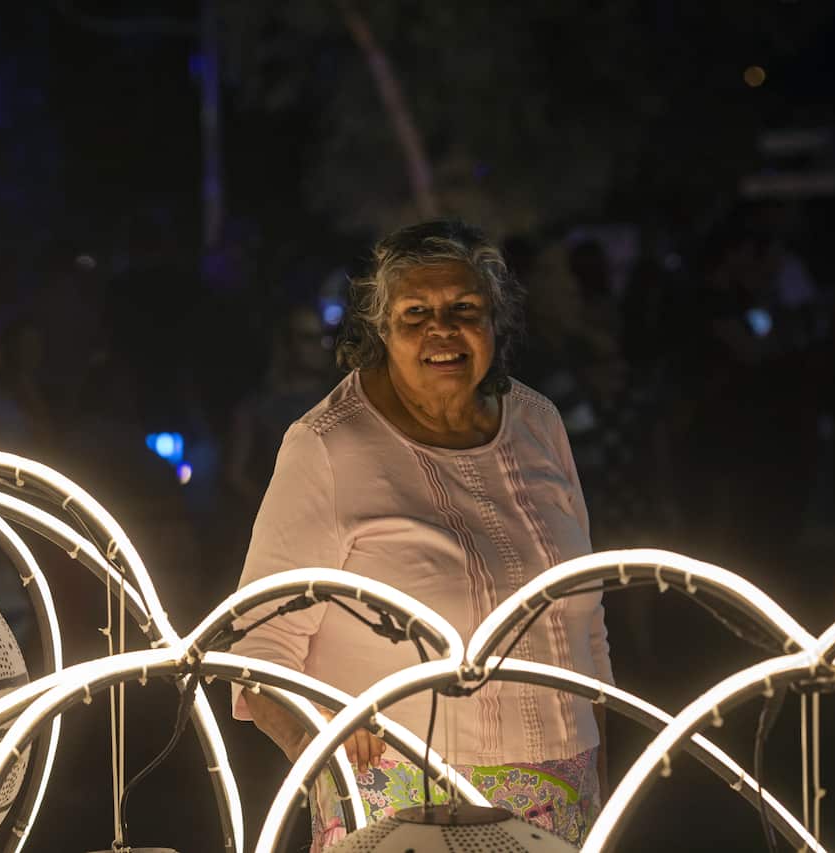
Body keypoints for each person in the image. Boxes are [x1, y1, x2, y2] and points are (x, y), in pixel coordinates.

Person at [230, 219, 612, 849]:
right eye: (415, 313)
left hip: (565, 794)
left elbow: (586, 622)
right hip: (401, 799)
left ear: (496, 323)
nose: (442, 329)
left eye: (465, 308)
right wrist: (322, 737)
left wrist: (601, 766)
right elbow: (258, 650)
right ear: (381, 331)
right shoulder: (329, 446)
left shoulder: (538, 423)